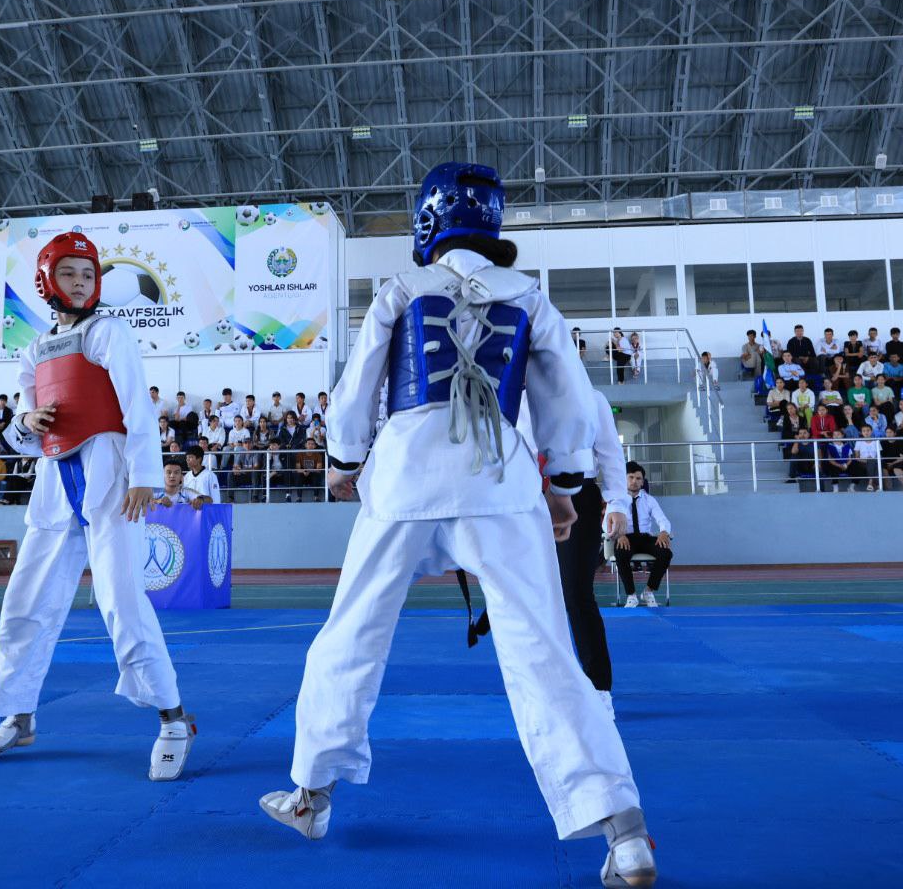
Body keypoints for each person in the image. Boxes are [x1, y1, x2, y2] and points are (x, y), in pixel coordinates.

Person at [257, 162, 653, 886]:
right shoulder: (529, 297)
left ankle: (311, 794)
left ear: (427, 224)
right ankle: (623, 830)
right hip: (500, 481)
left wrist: (343, 461)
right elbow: (568, 400)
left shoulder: (401, 289)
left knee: (350, 633)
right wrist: (565, 486)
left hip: (404, 479)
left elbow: (357, 387)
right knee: (545, 654)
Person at [0, 230, 192, 781]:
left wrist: (145, 474)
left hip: (109, 471)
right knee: (25, 601)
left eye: (89, 274)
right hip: (54, 479)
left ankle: (173, 718)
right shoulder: (34, 348)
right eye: (69, 272)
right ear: (47, 280)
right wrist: (25, 420)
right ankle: (18, 715)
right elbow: (24, 430)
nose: (81, 282)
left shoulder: (107, 331)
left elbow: (137, 402)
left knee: (121, 600)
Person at [557, 389, 630, 711]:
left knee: (576, 593)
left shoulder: (590, 397)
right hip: (524, 497)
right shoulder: (513, 391)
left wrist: (617, 503)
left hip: (578, 493)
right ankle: (550, 687)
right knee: (534, 599)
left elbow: (610, 453)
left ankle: (599, 689)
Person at [619, 462, 672, 608]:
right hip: (626, 538)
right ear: (624, 479)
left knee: (665, 553)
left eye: (638, 478)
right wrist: (619, 535)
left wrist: (663, 532)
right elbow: (606, 523)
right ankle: (631, 595)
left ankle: (648, 591)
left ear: (643, 482)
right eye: (631, 477)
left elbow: (662, 519)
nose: (634, 481)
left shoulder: (649, 500)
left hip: (645, 538)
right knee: (621, 552)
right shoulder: (617, 499)